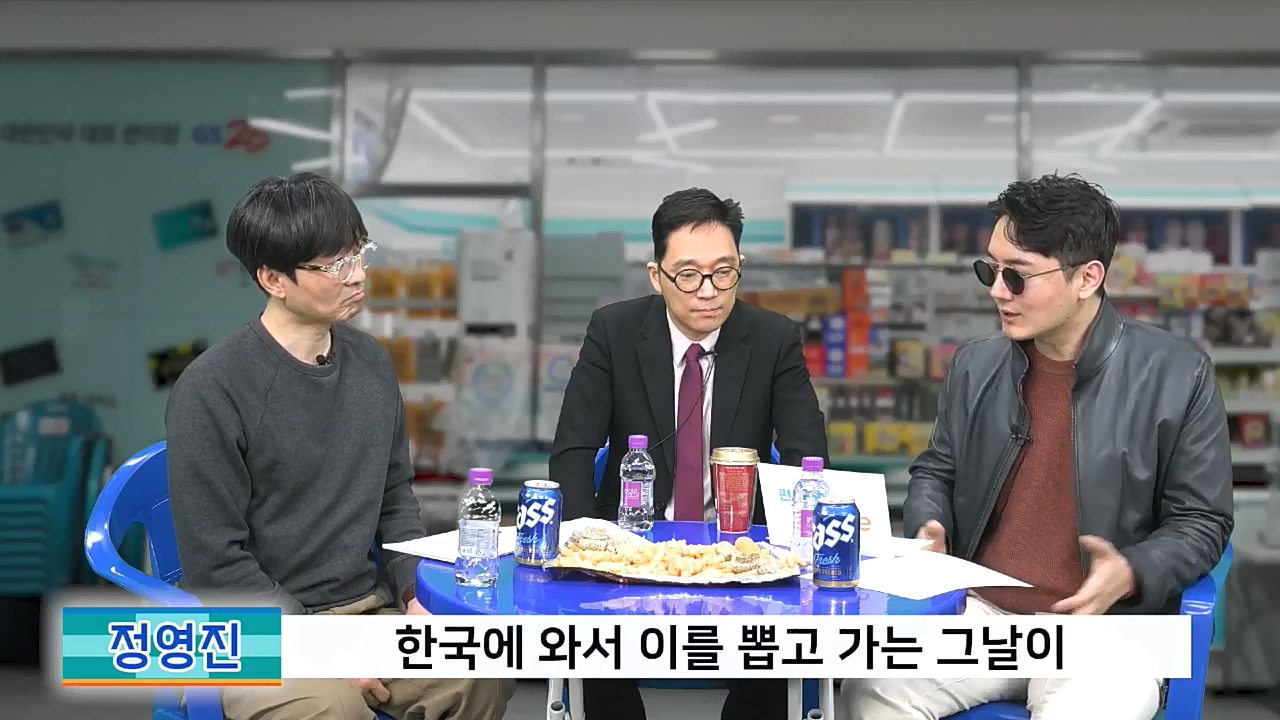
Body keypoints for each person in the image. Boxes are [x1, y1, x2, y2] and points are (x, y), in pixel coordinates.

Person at [842, 174, 1234, 720]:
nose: (997, 291)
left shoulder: (1177, 374)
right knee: (869, 694)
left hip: (1105, 629)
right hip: (983, 616)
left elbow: (1202, 520)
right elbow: (937, 469)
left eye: (1017, 276)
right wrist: (930, 525)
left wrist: (1130, 571)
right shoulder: (975, 366)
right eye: (990, 270)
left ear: (1087, 278)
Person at [166, 172, 514, 720]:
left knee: (479, 674)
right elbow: (216, 563)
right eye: (334, 266)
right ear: (273, 279)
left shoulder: (372, 363)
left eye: (359, 253)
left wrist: (416, 596)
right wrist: (321, 650)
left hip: (364, 612)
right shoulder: (211, 389)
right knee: (333, 708)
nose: (357, 275)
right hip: (249, 630)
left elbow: (395, 499)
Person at [550, 187, 830, 720]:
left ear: (740, 267)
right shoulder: (613, 331)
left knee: (778, 663)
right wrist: (590, 551)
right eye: (688, 275)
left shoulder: (773, 339)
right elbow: (573, 449)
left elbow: (807, 456)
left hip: (742, 556)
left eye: (724, 273)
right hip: (629, 554)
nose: (708, 292)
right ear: (656, 276)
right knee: (592, 659)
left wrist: (788, 548)